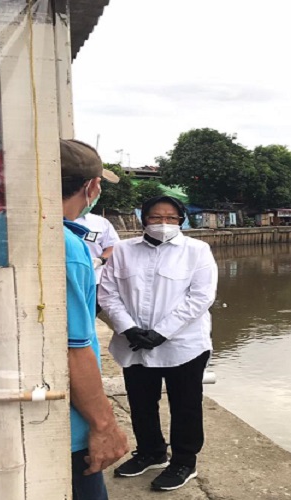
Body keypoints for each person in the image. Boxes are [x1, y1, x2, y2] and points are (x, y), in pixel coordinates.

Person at [0, 139, 128, 499]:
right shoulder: (63, 247)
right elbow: (73, 349)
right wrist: (103, 424)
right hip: (53, 414)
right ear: (91, 187)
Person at [98, 195, 217, 492]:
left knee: (185, 405)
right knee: (140, 402)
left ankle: (184, 461)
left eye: (171, 218)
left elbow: (200, 297)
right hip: (134, 343)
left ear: (182, 220)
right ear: (143, 219)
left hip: (184, 345)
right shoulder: (124, 251)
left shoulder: (197, 251)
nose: (163, 223)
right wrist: (128, 328)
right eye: (155, 217)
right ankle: (151, 452)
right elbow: (108, 292)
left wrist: (162, 332)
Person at [74, 211, 121, 314]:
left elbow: (113, 246)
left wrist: (100, 259)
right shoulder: (51, 218)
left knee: (88, 315)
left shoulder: (100, 222)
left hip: (93, 280)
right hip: (60, 279)